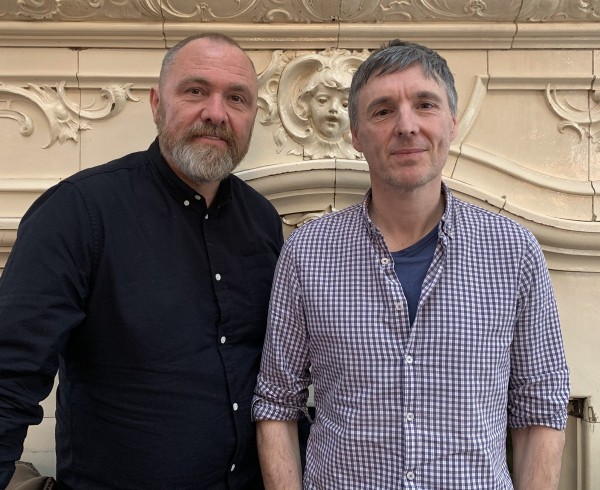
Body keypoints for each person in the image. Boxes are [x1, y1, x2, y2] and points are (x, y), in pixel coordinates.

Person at [252, 40, 570, 489]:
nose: (406, 126)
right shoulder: (307, 253)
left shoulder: (514, 252)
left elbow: (539, 409)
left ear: (452, 123)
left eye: (425, 104)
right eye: (383, 111)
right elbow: (276, 403)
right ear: (356, 135)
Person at [0, 33, 283, 489]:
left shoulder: (263, 221)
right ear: (156, 104)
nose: (216, 113)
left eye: (236, 98)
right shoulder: (78, 212)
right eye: (195, 91)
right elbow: (9, 377)